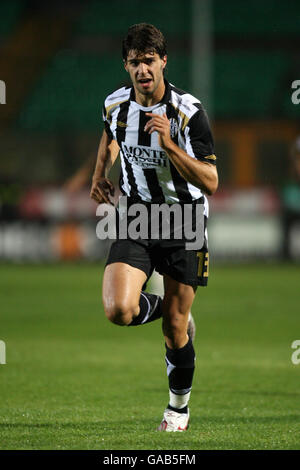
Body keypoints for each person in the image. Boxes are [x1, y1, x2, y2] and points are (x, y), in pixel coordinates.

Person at [90, 23, 218, 432]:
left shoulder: (188, 112)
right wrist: (99, 173)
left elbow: (211, 182)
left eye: (149, 61)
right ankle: (172, 311)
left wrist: (169, 146)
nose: (142, 69)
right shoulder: (114, 104)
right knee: (118, 310)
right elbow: (111, 134)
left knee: (175, 332)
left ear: (163, 61)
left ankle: (177, 410)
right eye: (134, 63)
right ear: (126, 66)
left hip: (184, 219)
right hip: (138, 216)